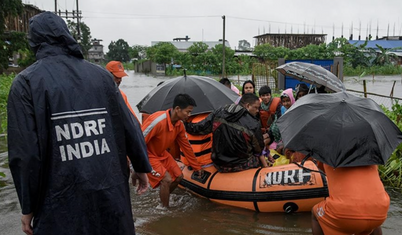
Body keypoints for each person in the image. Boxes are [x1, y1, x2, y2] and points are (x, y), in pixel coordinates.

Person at [7, 12, 151, 235]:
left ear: (34, 41)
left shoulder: (26, 83)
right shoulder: (102, 77)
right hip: (111, 197)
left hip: (60, 205)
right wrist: (141, 166)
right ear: (66, 35)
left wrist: (28, 206)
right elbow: (129, 126)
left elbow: (25, 154)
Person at [141, 94, 203, 207]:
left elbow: (186, 147)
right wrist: (136, 165)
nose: (189, 115)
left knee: (179, 176)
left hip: (161, 153)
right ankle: (165, 209)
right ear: (177, 109)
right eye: (188, 112)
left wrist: (196, 167)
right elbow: (139, 141)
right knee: (167, 179)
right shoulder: (157, 121)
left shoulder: (179, 125)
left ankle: (163, 197)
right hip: (147, 154)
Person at [185, 93, 266, 172]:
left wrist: (185, 124)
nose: (257, 111)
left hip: (219, 164)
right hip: (241, 164)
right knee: (259, 158)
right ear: (247, 106)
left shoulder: (219, 112)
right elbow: (259, 149)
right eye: (256, 108)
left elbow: (199, 128)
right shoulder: (254, 123)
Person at [311, 164, 390, 235]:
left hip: (345, 212)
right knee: (372, 217)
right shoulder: (370, 155)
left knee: (315, 212)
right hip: (380, 208)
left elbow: (321, 170)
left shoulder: (330, 155)